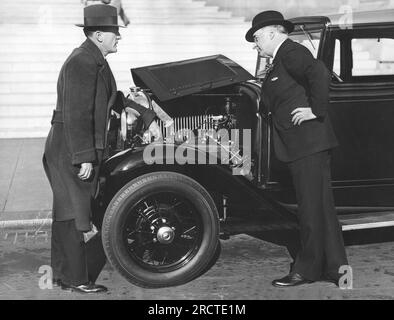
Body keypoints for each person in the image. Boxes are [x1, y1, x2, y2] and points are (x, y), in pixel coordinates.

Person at [43, 4, 160, 294]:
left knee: (66, 212)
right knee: (72, 212)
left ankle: (62, 274)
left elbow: (113, 99)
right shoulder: (82, 62)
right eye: (114, 33)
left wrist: (146, 116)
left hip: (66, 144)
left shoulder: (94, 59)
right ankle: (76, 279)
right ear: (98, 35)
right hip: (70, 147)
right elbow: (77, 113)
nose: (118, 37)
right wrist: (83, 157)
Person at [245, 10, 348, 287]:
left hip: (307, 144)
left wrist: (316, 110)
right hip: (306, 145)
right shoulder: (281, 58)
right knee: (321, 209)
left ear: (271, 33)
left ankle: (306, 270)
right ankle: (340, 272)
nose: (256, 45)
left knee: (311, 210)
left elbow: (319, 72)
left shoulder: (290, 51)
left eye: (257, 38)